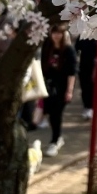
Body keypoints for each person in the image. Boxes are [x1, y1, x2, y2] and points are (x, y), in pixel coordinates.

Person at [41, 24, 77, 156]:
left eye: (59, 33)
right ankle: (57, 137)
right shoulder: (47, 48)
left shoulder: (68, 50)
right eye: (54, 33)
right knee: (51, 114)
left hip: (61, 88)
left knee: (56, 114)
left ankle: (55, 141)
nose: (56, 36)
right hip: (49, 87)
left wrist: (69, 90)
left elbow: (72, 73)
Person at [75, 37, 97, 119]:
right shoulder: (82, 36)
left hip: (94, 67)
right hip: (83, 66)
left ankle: (91, 107)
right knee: (84, 87)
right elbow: (76, 49)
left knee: (92, 88)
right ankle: (86, 106)